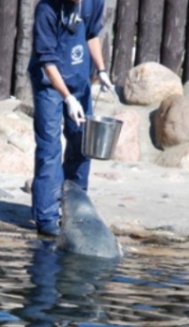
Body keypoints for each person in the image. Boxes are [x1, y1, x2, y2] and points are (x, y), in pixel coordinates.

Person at [28, 0, 114, 236]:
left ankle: (76, 207)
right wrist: (67, 97)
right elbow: (46, 61)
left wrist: (102, 70)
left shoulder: (93, 3)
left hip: (79, 79)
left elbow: (91, 35)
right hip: (49, 83)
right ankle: (46, 216)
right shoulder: (47, 9)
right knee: (50, 146)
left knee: (81, 142)